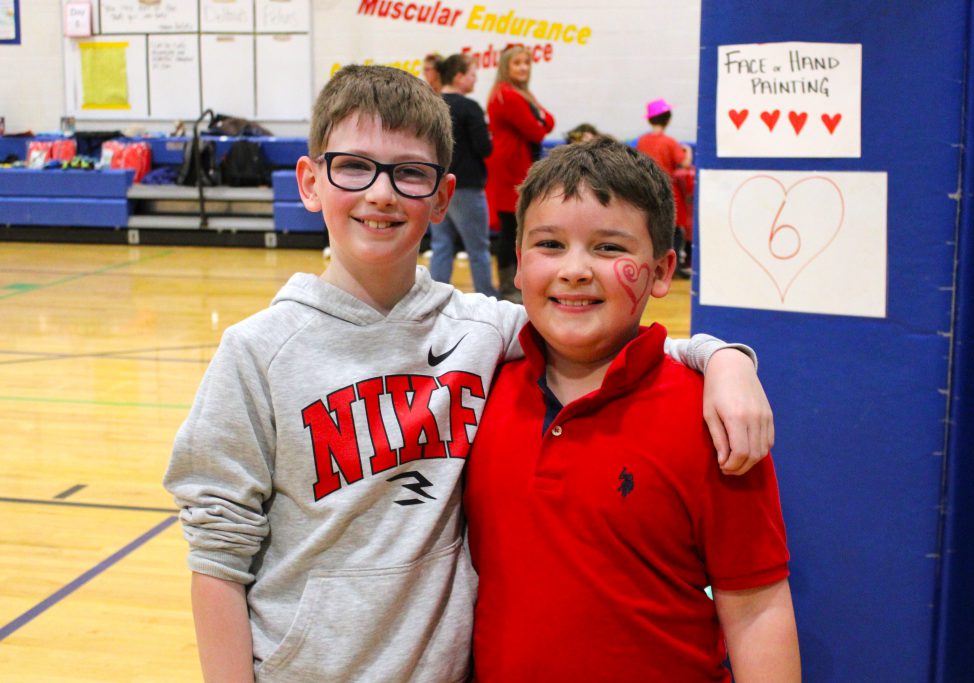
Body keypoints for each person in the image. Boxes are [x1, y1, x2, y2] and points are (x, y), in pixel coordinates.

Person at [164, 65, 774, 682]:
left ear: (441, 197)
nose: (381, 193)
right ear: (310, 181)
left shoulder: (481, 330)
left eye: (409, 173)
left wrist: (724, 358)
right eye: (354, 166)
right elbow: (218, 559)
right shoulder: (256, 353)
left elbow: (602, 331)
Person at [466, 138, 800, 681]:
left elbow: (758, 609)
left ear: (662, 271)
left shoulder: (714, 418)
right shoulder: (478, 393)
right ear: (519, 264)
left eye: (608, 248)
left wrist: (725, 359)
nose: (575, 270)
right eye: (549, 244)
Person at [485, 45, 555, 302]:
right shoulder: (509, 96)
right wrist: (539, 118)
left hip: (516, 165)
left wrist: (540, 118)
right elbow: (538, 130)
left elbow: (548, 121)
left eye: (527, 63)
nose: (523, 68)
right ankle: (508, 286)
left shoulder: (518, 94)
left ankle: (513, 282)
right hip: (509, 168)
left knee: (513, 226)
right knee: (510, 227)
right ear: (506, 67)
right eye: (517, 63)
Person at [429, 53, 497, 297]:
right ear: (459, 77)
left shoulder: (431, 103)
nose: (475, 80)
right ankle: (487, 296)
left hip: (435, 185)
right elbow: (484, 148)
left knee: (441, 245)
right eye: (472, 75)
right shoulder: (470, 107)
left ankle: (435, 296)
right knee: (478, 248)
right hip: (466, 186)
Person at [636, 97, 694, 278]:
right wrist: (688, 151)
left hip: (645, 190)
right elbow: (683, 163)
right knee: (674, 229)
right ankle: (672, 267)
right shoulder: (670, 142)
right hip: (668, 190)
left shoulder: (642, 141)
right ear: (668, 119)